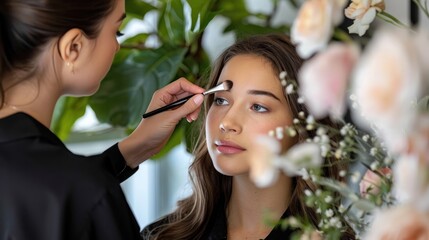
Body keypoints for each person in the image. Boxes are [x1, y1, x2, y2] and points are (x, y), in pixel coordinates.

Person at [0, 0, 205, 239]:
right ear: (73, 47)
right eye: (116, 31)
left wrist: (128, 151)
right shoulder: (85, 193)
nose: (117, 46)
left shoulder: (66, 186)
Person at [141, 34, 355, 239]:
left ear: (303, 128)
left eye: (258, 107)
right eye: (221, 101)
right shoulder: (161, 236)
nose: (227, 122)